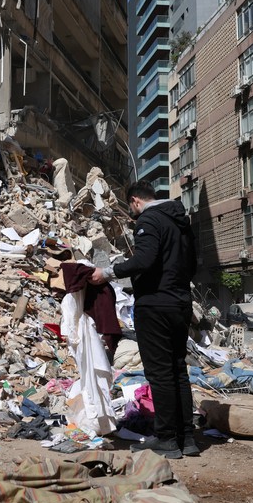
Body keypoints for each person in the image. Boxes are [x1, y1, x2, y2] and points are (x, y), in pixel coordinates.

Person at [91, 181, 198, 460]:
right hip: (180, 302)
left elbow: (145, 259)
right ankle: (187, 438)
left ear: (136, 201)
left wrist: (108, 272)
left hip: (156, 304)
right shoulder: (180, 221)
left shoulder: (148, 220)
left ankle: (166, 439)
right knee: (177, 370)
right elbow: (193, 263)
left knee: (159, 373)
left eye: (131, 209)